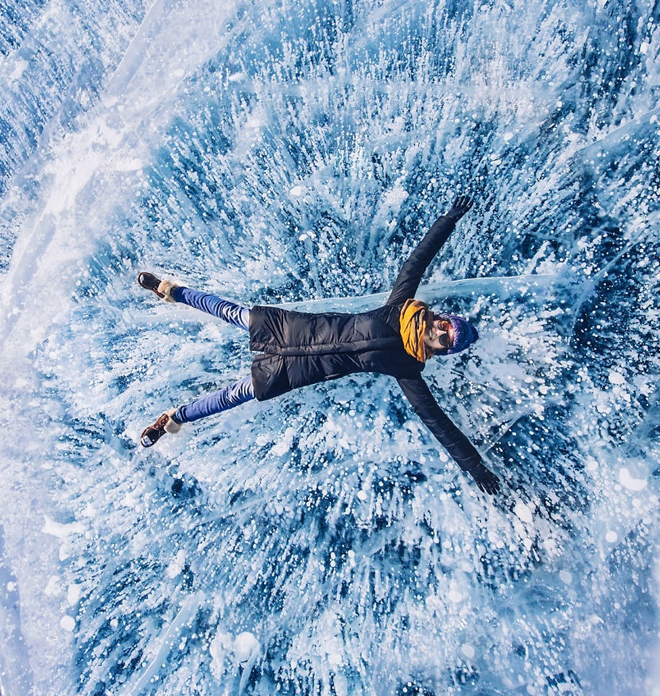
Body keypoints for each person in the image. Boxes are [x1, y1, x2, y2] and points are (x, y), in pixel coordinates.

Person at [138, 196, 501, 495]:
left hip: (299, 371)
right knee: (232, 313)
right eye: (445, 327)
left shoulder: (408, 368)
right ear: (442, 318)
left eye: (445, 342)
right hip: (296, 330)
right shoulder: (401, 306)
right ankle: (170, 290)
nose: (440, 334)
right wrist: (448, 220)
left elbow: (439, 424)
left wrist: (476, 468)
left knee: (236, 394)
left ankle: (173, 418)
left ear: (441, 350)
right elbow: (417, 261)